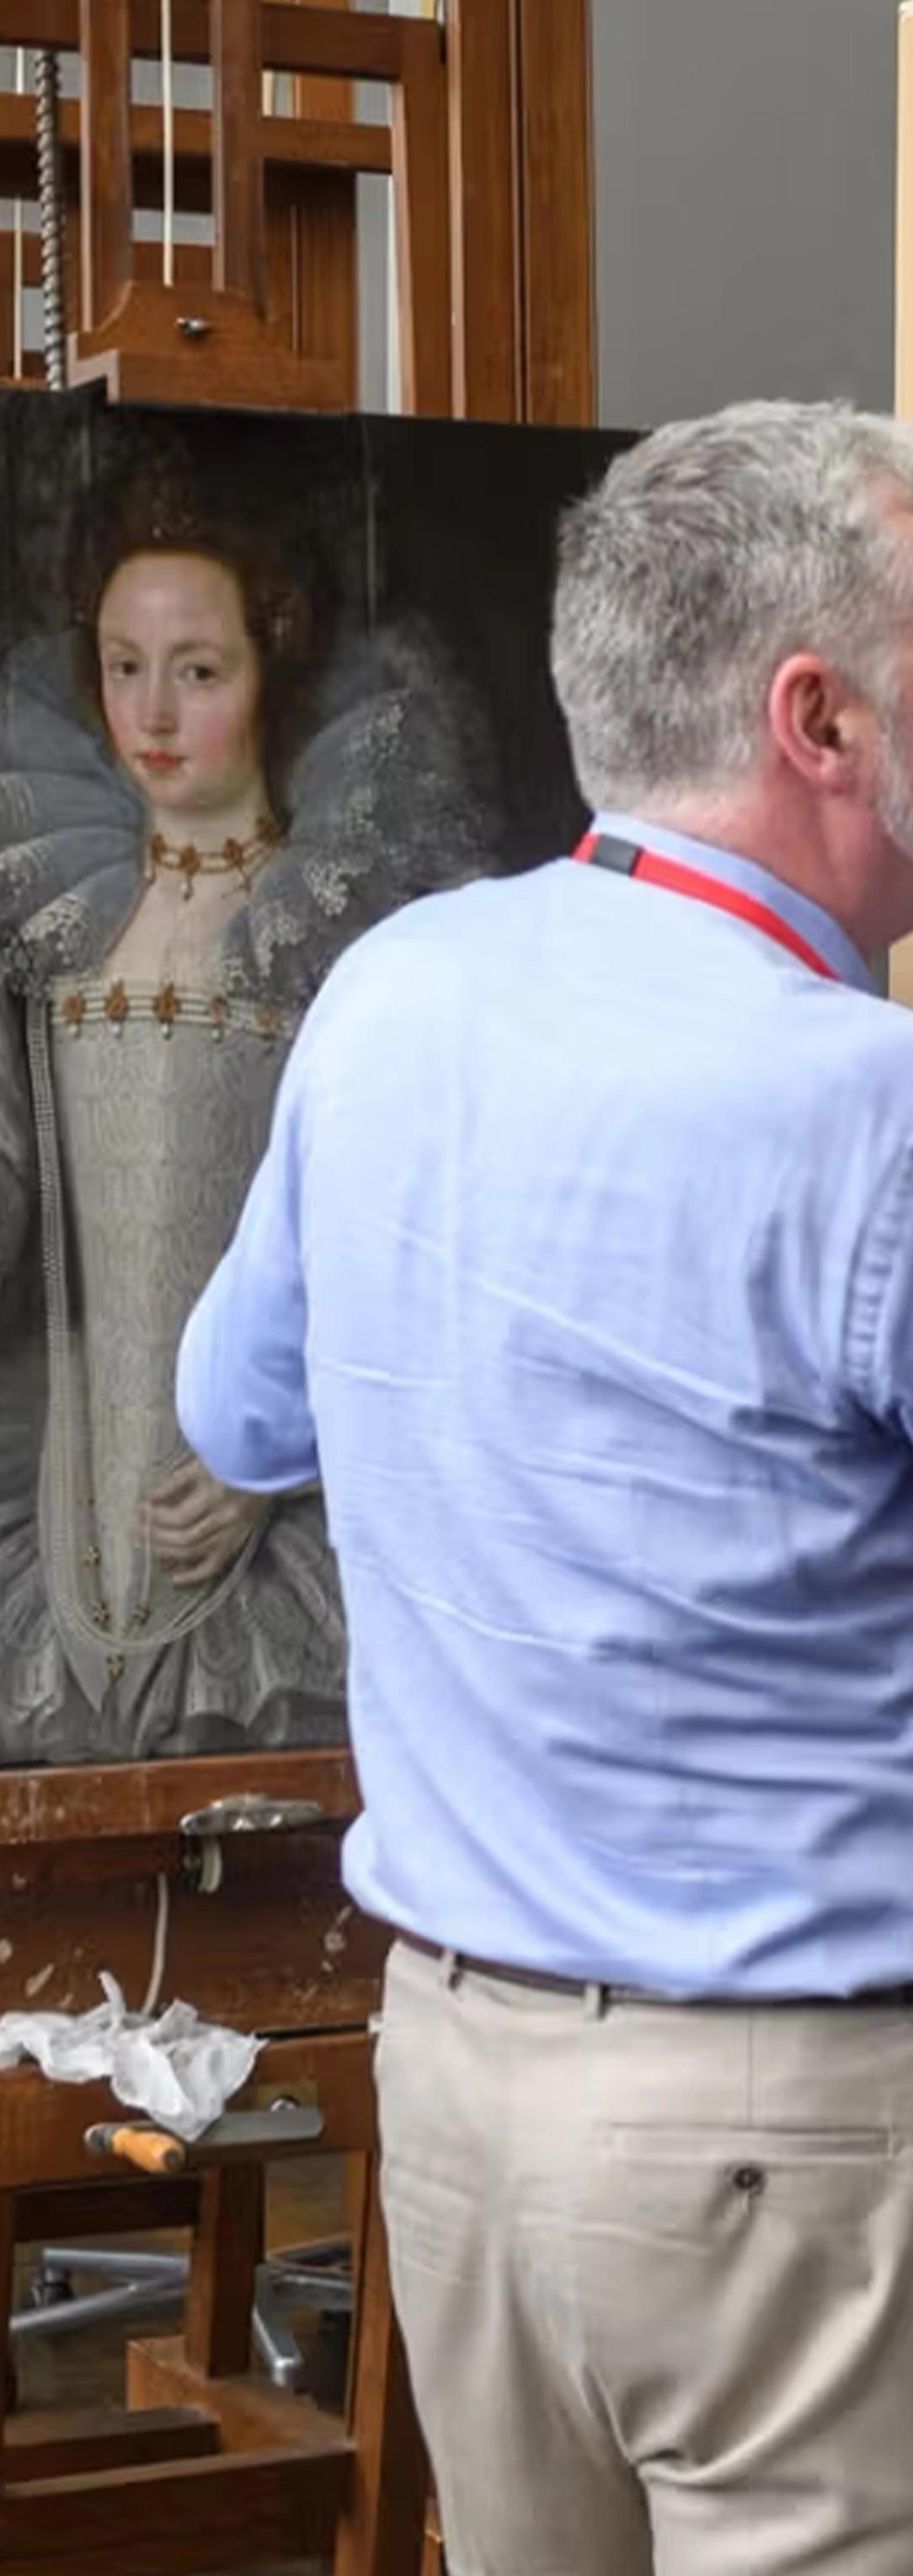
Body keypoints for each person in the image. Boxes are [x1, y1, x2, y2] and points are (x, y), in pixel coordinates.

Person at [176, 402, 913, 2576]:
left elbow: (235, 1417)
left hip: (462, 2087)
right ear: (818, 719)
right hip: (802, 2144)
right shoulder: (895, 1117)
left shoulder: (402, 993)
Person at [0, 483, 489, 1764]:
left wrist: (282, 1460)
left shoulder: (348, 912)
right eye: (123, 668)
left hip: (288, 1544)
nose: (152, 716)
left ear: (271, 660)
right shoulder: (50, 906)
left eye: (198, 670)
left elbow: (426, 1230)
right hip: (64, 1532)